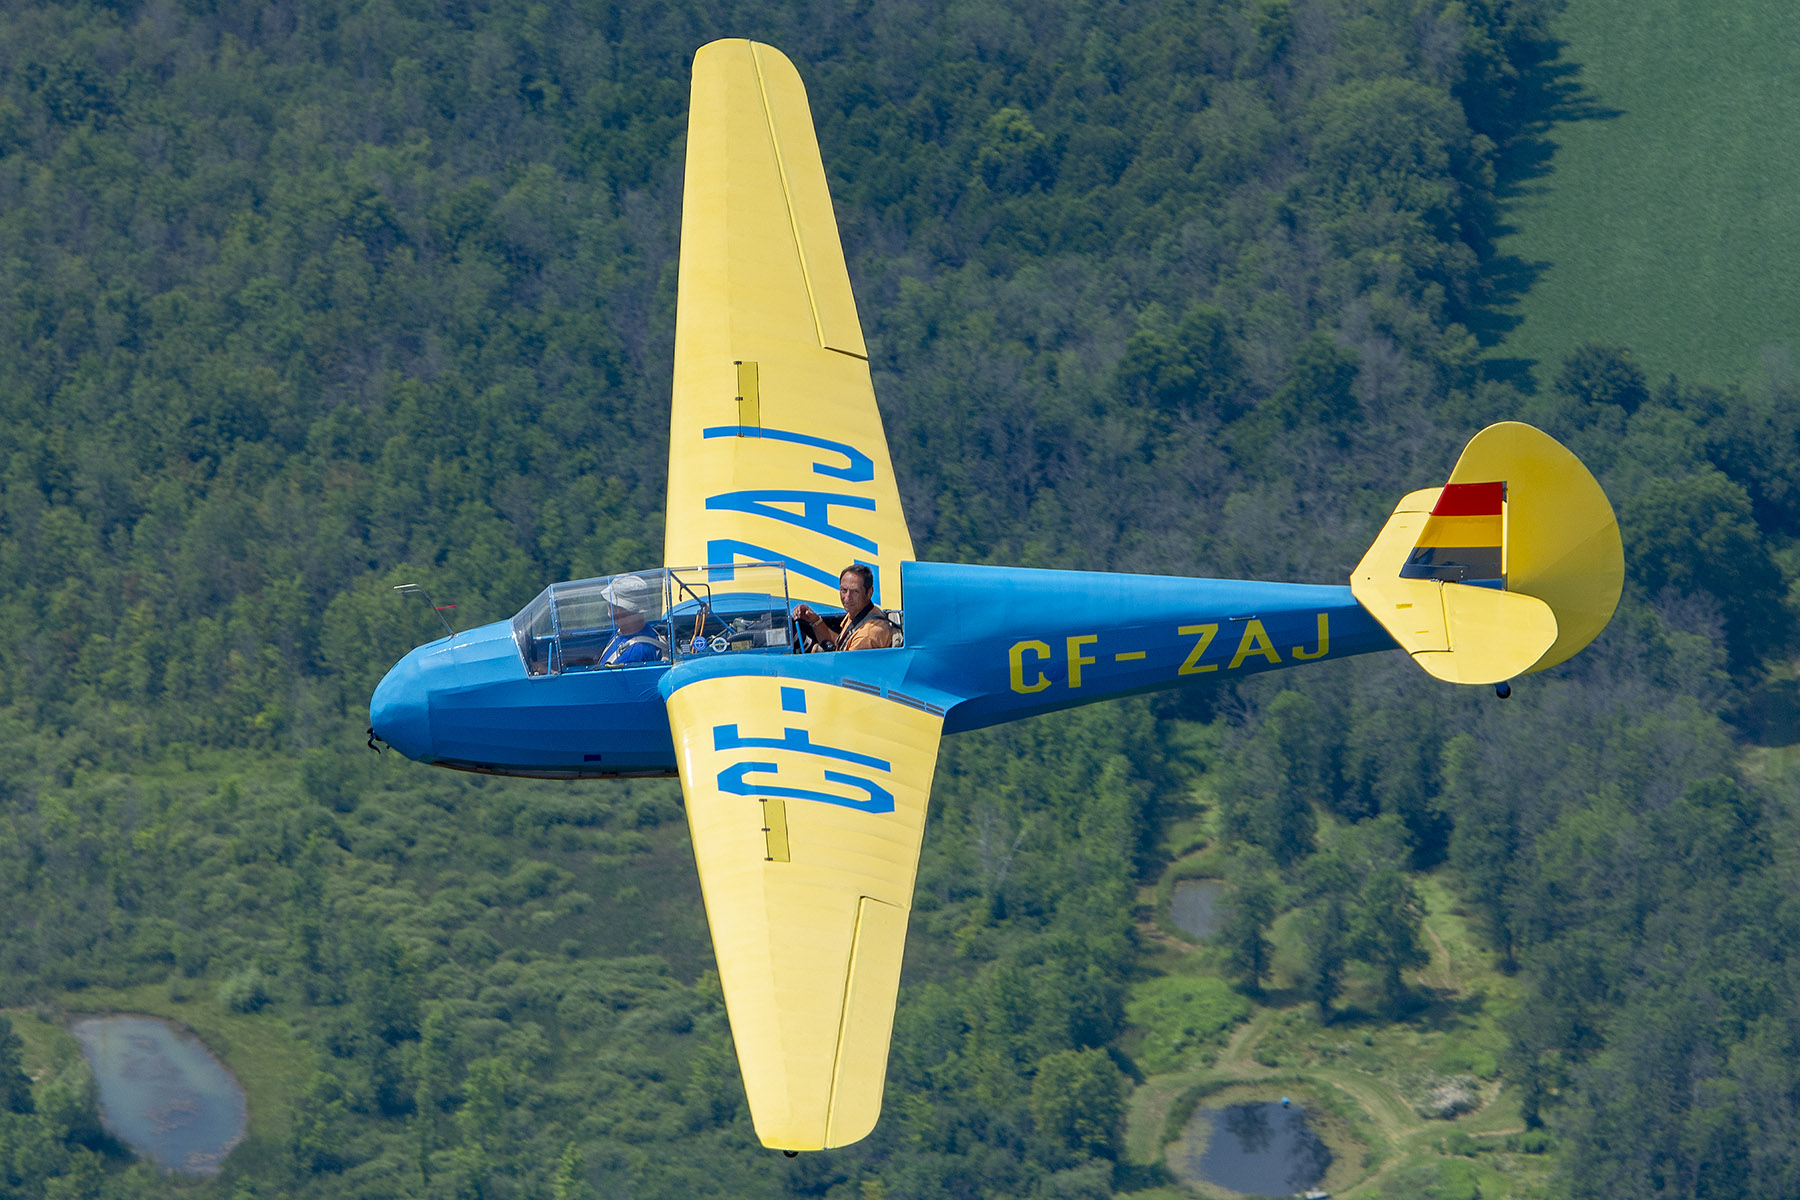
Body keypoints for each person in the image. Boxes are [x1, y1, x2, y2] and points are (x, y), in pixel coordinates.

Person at [793, 565, 895, 652]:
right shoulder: (858, 611)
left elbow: (845, 669)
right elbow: (841, 643)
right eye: (843, 590)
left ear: (869, 593)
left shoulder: (866, 636)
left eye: (855, 591)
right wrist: (815, 620)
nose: (847, 598)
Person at [600, 575, 667, 665]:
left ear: (618, 609)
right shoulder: (624, 631)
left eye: (611, 602)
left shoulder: (632, 654)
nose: (608, 604)